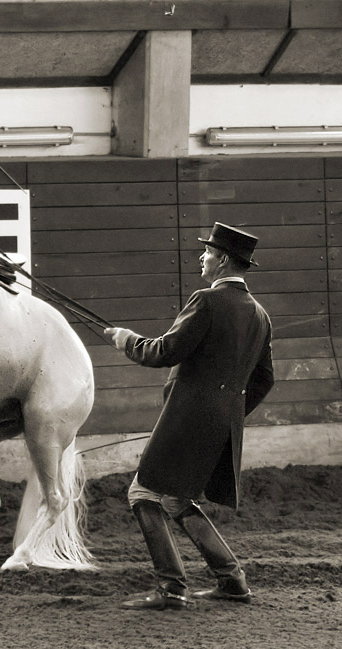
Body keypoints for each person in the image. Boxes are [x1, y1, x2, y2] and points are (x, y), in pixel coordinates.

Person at [104, 222, 275, 611]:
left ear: (224, 260)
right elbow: (265, 379)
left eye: (209, 252)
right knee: (177, 500)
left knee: (143, 492)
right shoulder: (261, 315)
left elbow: (165, 351)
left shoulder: (206, 300)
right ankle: (232, 581)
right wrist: (228, 412)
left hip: (187, 421)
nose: (203, 256)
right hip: (221, 424)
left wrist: (126, 340)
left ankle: (171, 588)